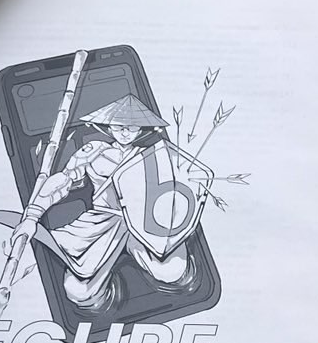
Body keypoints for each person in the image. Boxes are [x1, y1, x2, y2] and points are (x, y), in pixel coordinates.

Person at [29, 95, 205, 312]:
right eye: (119, 125)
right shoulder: (94, 150)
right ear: (109, 126)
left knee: (172, 271)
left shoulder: (151, 155)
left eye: (131, 126)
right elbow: (63, 181)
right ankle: (104, 296)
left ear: (140, 129)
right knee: (78, 291)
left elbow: (174, 189)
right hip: (103, 221)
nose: (125, 131)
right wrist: (32, 215)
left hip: (142, 221)